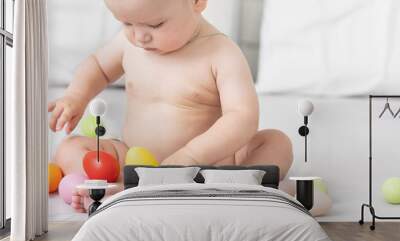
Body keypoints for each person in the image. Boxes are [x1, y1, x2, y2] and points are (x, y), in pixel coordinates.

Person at [48, 0, 293, 212]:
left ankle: (228, 187)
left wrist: (190, 157)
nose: (139, 36)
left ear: (197, 1)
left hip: (207, 167)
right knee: (68, 148)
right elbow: (98, 66)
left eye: (155, 25)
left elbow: (242, 117)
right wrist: (76, 95)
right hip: (132, 160)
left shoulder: (221, 52)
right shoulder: (128, 43)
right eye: (126, 23)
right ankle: (123, 187)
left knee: (276, 143)